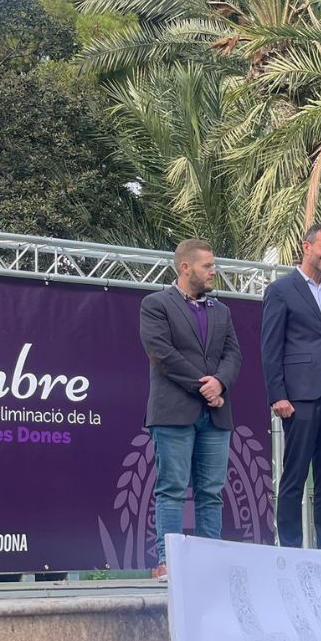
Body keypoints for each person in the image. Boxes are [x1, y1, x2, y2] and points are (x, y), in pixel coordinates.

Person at [139, 239, 243, 581]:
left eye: (213, 265)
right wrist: (205, 386)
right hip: (174, 413)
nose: (214, 271)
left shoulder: (221, 311)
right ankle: (169, 562)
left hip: (215, 415)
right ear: (185, 267)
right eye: (207, 266)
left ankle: (208, 562)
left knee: (211, 492)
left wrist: (221, 383)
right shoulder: (156, 304)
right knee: (172, 488)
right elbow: (162, 353)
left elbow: (233, 355)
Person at [261, 224, 321, 549]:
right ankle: (290, 548)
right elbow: (270, 347)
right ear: (307, 247)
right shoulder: (281, 290)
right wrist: (277, 394)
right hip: (299, 396)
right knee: (295, 474)